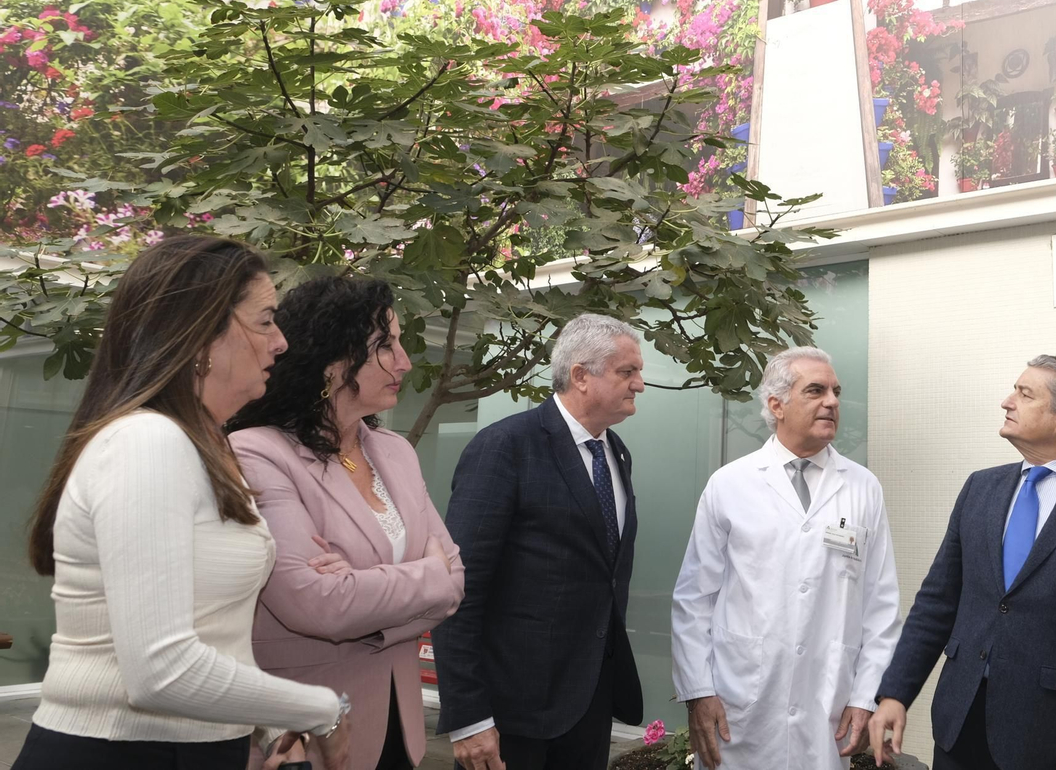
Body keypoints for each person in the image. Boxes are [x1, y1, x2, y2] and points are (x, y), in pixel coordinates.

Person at [15, 235, 351, 770]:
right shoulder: (148, 443)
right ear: (201, 336)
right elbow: (161, 670)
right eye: (265, 321)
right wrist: (319, 709)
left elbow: (210, 635)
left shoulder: (200, 444)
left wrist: (260, 725)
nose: (281, 341)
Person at [869, 355, 1056, 770]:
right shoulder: (980, 488)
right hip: (959, 726)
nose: (1007, 402)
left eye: (1024, 394)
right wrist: (895, 693)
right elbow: (937, 602)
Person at [228, 275, 466, 770]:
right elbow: (316, 606)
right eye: (384, 345)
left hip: (399, 729)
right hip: (302, 739)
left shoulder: (395, 452)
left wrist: (366, 598)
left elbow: (457, 582)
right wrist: (426, 577)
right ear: (331, 362)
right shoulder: (257, 452)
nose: (403, 361)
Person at [433, 313, 646, 770]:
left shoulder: (615, 452)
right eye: (627, 372)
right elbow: (459, 587)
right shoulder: (506, 446)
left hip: (589, 704)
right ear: (580, 376)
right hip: (513, 713)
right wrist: (467, 716)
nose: (640, 385)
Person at [672, 347, 901, 769]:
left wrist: (865, 694)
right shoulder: (729, 484)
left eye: (835, 391)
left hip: (827, 704)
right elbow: (694, 599)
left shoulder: (863, 487)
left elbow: (881, 605)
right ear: (776, 404)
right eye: (815, 390)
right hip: (740, 704)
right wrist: (699, 692)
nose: (832, 402)